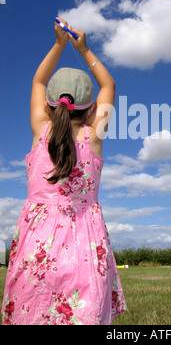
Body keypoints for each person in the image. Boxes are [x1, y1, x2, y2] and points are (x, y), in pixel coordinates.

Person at [1, 18, 127, 325]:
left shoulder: (38, 129)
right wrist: (83, 49)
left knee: (31, 312)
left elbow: (38, 82)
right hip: (85, 240)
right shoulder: (94, 135)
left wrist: (58, 44)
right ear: (90, 107)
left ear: (48, 105)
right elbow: (109, 85)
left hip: (37, 241)